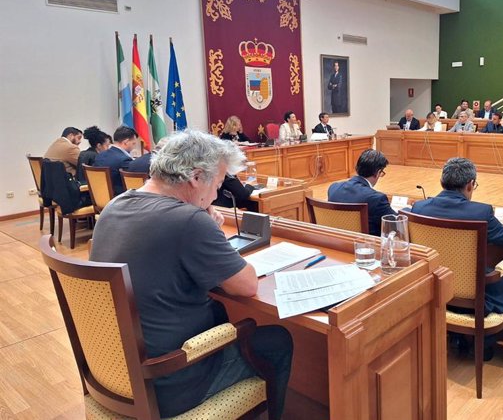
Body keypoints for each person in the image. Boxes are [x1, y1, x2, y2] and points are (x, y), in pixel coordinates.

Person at [90, 130, 292, 418]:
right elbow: (246, 285)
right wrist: (213, 229)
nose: (215, 195)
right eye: (218, 185)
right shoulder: (188, 221)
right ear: (197, 177)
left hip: (116, 368)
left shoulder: (115, 205)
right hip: (170, 379)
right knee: (278, 341)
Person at [410, 158, 503, 358]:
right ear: (470, 184)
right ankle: (485, 344)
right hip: (473, 294)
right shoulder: (481, 212)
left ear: (442, 182)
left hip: (435, 288)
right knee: (502, 280)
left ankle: (455, 335)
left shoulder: (419, 208)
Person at [328, 149, 396, 236]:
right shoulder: (377, 199)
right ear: (378, 172)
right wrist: (407, 209)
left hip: (338, 242)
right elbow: (397, 225)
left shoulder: (333, 188)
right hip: (367, 247)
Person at [93, 125, 138, 195]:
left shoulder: (99, 155)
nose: (134, 146)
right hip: (120, 199)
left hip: (101, 197)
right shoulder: (124, 160)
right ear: (126, 142)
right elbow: (134, 180)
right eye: (133, 143)